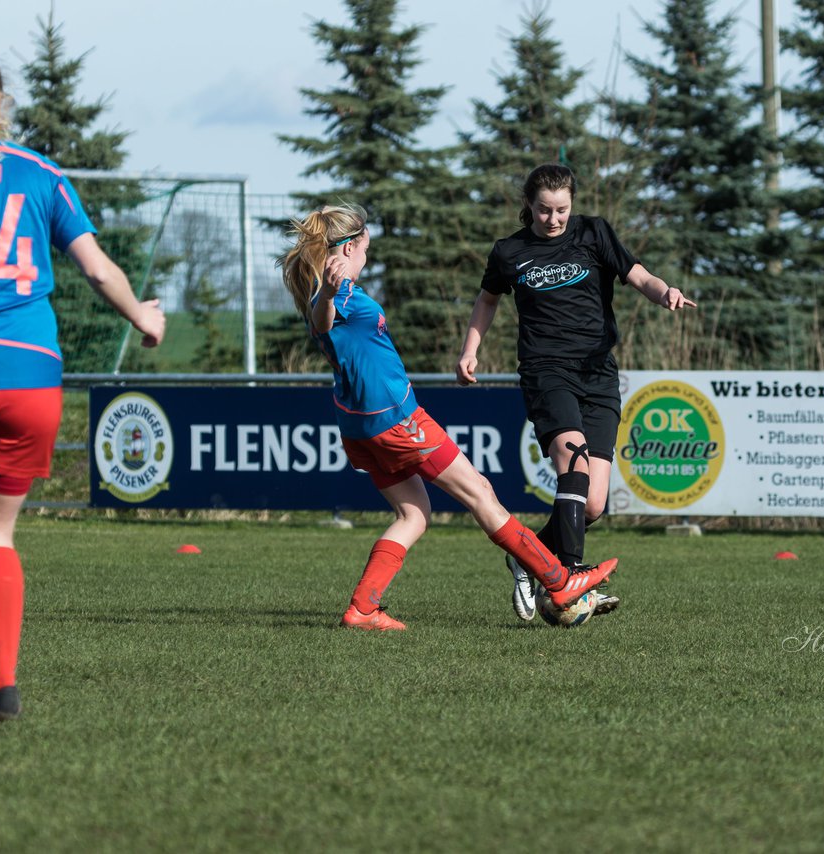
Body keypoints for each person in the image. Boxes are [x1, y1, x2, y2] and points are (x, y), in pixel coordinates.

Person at [0, 48, 166, 722]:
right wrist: (142, 316)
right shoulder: (41, 175)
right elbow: (99, 269)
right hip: (29, 376)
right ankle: (2, 688)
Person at [278, 204, 617, 631]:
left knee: (414, 515)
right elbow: (323, 321)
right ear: (347, 248)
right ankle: (560, 580)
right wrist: (328, 294)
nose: (368, 254)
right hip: (397, 421)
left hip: (360, 427)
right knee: (480, 493)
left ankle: (363, 608)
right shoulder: (335, 293)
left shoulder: (332, 290)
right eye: (365, 246)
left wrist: (327, 271)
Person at [456, 163, 696, 622]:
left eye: (561, 210)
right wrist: (471, 349)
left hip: (598, 374)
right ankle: (567, 576)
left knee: (596, 503)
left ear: (572, 205)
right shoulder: (510, 251)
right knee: (575, 460)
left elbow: (638, 274)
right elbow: (487, 299)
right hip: (547, 373)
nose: (553, 219)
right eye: (544, 210)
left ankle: (527, 557)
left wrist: (665, 291)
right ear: (528, 206)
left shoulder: (593, 233)